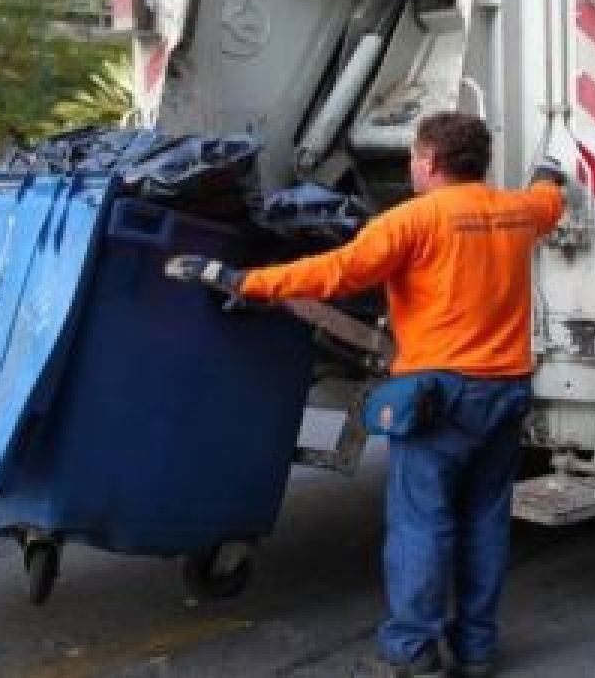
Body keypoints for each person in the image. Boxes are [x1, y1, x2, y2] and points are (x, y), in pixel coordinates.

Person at [191, 113, 566, 677]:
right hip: (505, 393)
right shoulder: (516, 212)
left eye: (414, 157)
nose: (411, 166)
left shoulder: (410, 222)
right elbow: (548, 202)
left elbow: (335, 273)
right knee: (485, 524)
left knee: (423, 526)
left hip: (439, 399)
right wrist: (549, 176)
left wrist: (242, 281)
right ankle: (476, 649)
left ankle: (414, 653)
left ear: (430, 162)